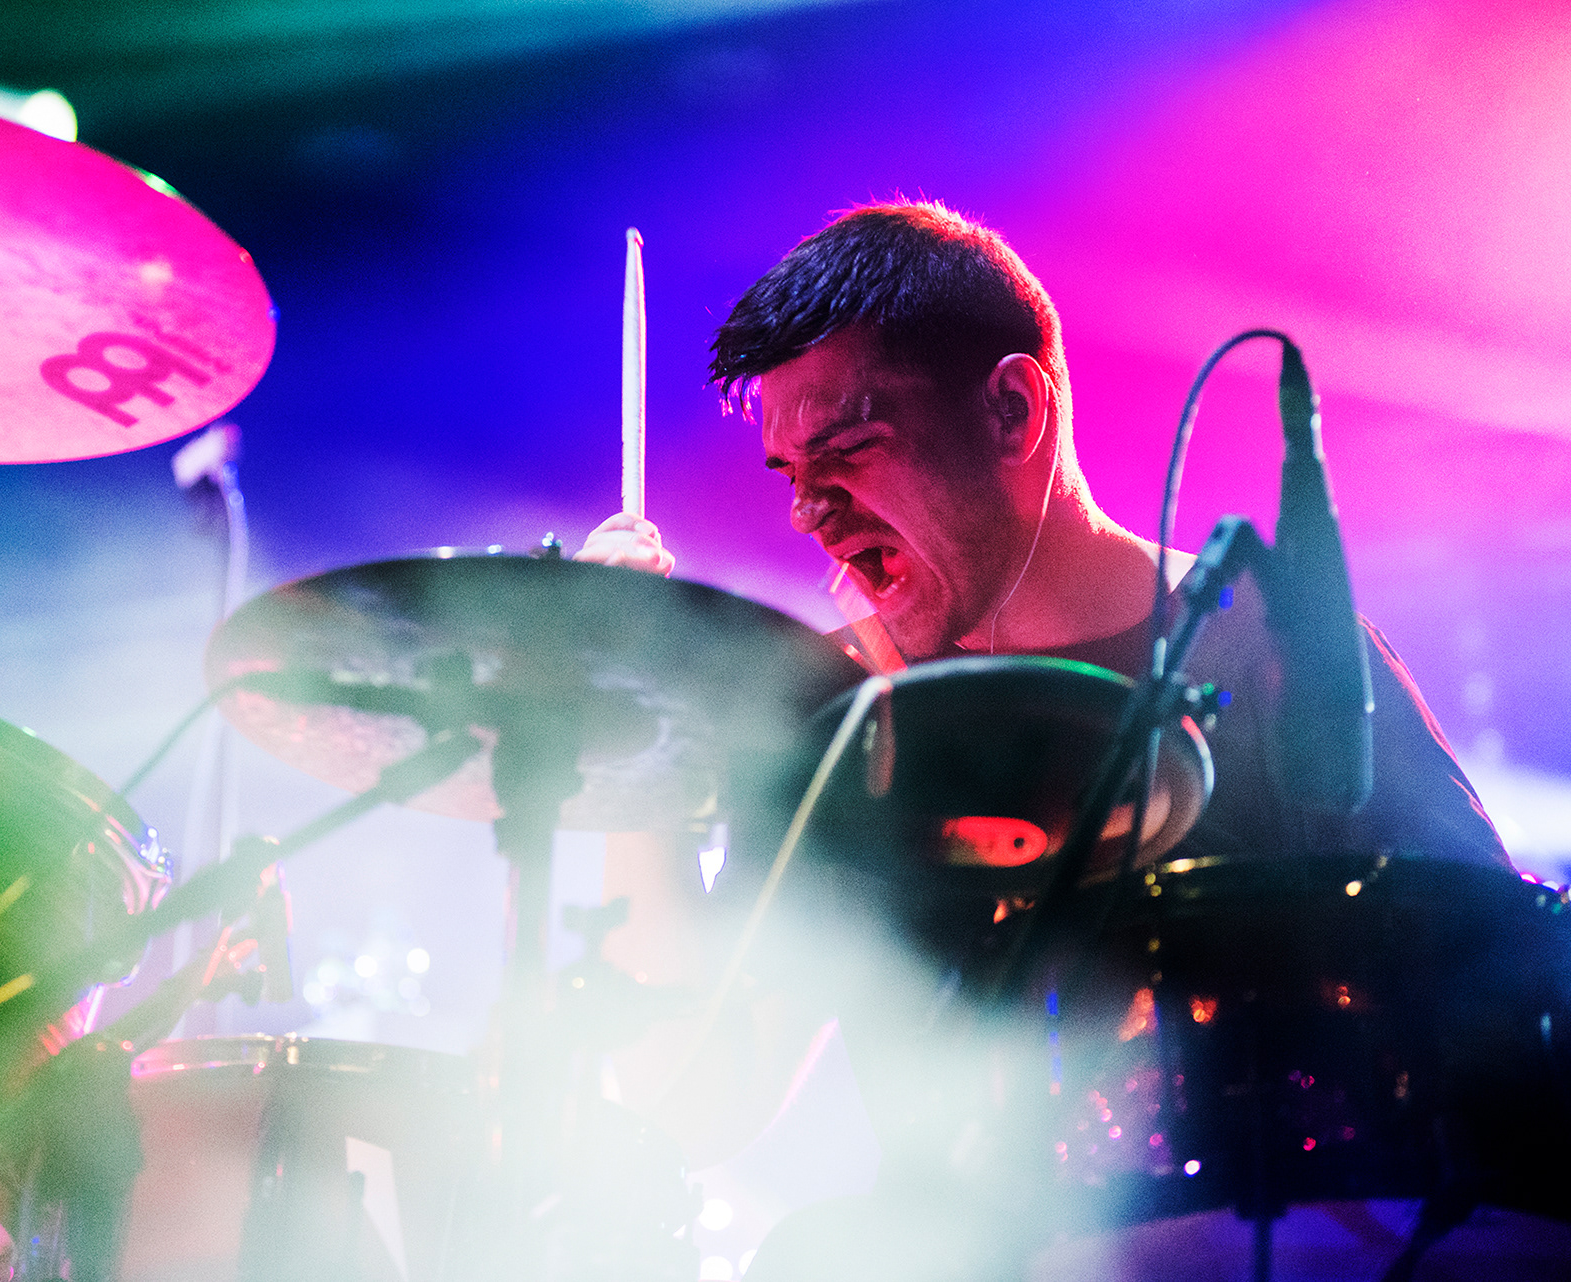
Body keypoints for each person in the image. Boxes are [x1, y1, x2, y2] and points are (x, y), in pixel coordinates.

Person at [577, 202, 1543, 1279]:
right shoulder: (841, 714)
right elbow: (697, 1102)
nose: (812, 513)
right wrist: (628, 732)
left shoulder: (1275, 647)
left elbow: (1505, 1002)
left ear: (1012, 409)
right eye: (790, 475)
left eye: (848, 450)